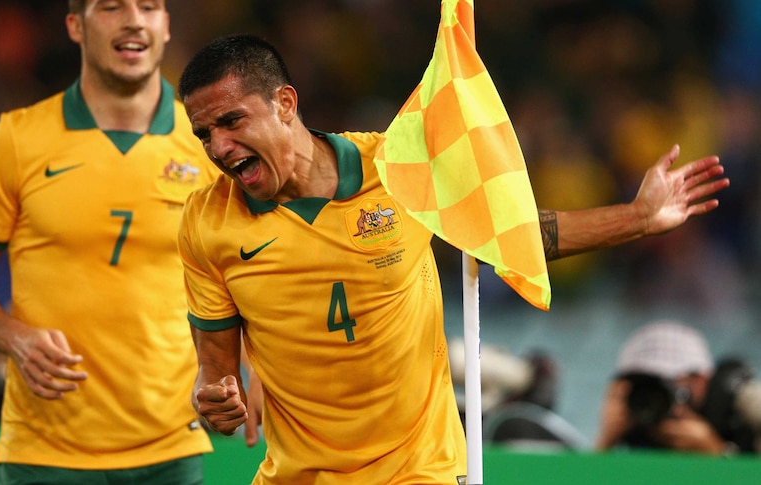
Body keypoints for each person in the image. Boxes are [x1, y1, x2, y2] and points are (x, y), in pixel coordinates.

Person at [175, 34, 729, 483]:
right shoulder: (206, 222)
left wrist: (637, 217)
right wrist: (214, 400)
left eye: (232, 122)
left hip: (418, 471)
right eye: (204, 134)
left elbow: (512, 234)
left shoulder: (396, 170)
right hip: (297, 476)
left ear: (285, 103)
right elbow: (216, 376)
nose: (218, 147)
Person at [0, 1, 219, 483]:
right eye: (111, 7)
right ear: (74, 26)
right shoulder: (16, 140)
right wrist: (14, 338)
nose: (133, 20)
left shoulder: (209, 145)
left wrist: (255, 372)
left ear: (166, 26)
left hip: (171, 451)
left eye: (149, 8)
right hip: (44, 454)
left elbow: (250, 273)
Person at [594, 320, 761, 456]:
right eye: (644, 386)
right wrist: (605, 443)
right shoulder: (632, 424)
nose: (654, 399)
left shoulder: (743, 408)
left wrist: (717, 453)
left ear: (702, 380)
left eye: (669, 384)